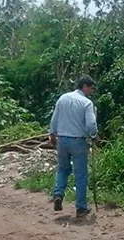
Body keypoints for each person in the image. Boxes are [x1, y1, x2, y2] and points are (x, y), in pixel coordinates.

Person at [48, 75, 98, 217]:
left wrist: (52, 134)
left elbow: (55, 118)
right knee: (81, 175)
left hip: (62, 139)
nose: (91, 92)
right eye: (91, 88)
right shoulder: (86, 103)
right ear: (85, 86)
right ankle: (81, 207)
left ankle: (58, 194)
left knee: (63, 169)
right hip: (78, 141)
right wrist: (94, 136)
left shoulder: (63, 98)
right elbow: (90, 124)